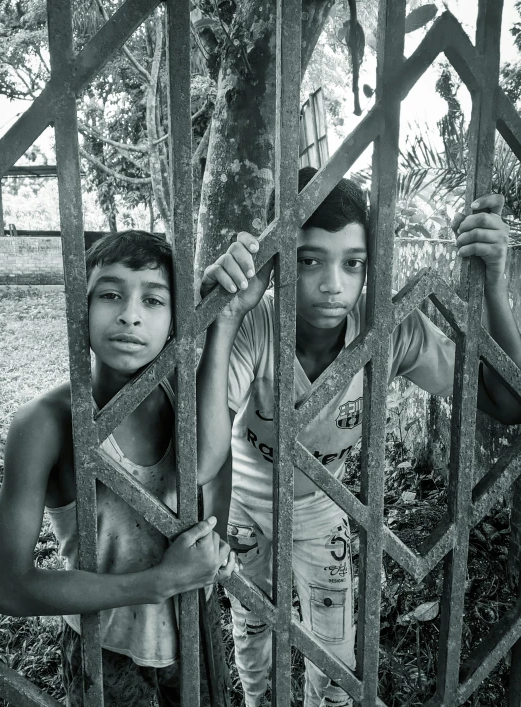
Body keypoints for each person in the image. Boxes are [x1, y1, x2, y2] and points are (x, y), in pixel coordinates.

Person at [198, 167, 521, 707]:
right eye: (308, 260)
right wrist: (225, 318)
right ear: (277, 259)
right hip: (242, 506)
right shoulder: (258, 326)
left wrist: (494, 282)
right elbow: (203, 456)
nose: (333, 285)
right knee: (252, 638)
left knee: (335, 655)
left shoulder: (387, 327)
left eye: (353, 263)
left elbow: (507, 400)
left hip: (326, 506)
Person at [0, 230, 238, 707]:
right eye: (110, 294)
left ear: (174, 321)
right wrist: (154, 584)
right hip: (104, 651)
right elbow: (7, 586)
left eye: (154, 299)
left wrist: (214, 543)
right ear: (80, 309)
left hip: (193, 628)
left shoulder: (188, 398)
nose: (130, 313)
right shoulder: (44, 424)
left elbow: (215, 469)